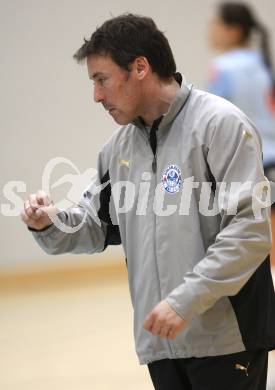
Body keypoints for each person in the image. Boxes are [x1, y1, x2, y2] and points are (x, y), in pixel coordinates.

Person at [21, 14, 275, 390]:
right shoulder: (117, 150)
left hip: (226, 338)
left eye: (101, 79)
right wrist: (49, 222)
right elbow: (98, 224)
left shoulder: (219, 125)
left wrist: (185, 301)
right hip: (161, 343)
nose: (97, 96)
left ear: (141, 67)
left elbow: (249, 231)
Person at [207, 1, 275, 265]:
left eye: (216, 24)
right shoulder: (263, 61)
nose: (210, 30)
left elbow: (211, 119)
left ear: (233, 30)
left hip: (251, 161)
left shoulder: (223, 67)